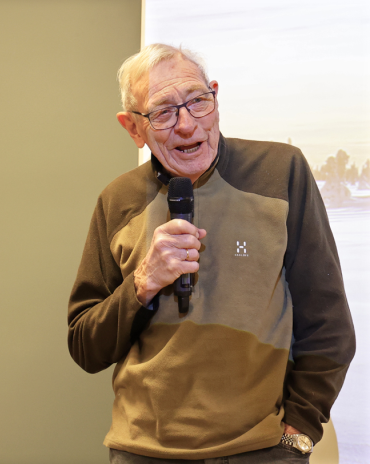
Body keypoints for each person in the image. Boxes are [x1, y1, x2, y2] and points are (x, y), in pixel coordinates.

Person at [67, 43, 355, 462]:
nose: (187, 125)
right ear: (133, 128)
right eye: (163, 112)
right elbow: (85, 346)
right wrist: (143, 283)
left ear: (215, 97)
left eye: (197, 101)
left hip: (262, 450)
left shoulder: (281, 171)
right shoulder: (117, 201)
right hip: (142, 451)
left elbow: (328, 324)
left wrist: (300, 431)